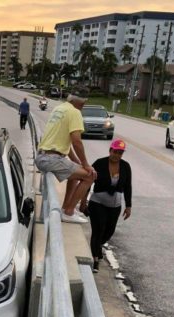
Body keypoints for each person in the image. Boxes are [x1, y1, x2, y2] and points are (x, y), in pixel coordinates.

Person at [34, 94, 96, 224]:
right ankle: (69, 212)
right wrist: (86, 164)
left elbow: (67, 145)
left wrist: (78, 163)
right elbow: (76, 141)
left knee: (75, 174)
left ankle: (65, 209)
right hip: (52, 159)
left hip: (42, 155)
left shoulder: (60, 108)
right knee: (90, 176)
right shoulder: (75, 112)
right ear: (83, 103)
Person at [79, 139, 133, 273]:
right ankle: (95, 259)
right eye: (115, 152)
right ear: (110, 151)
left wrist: (128, 206)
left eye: (120, 153)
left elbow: (128, 186)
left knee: (109, 231)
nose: (117, 155)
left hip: (115, 205)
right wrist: (83, 201)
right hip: (97, 203)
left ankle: (97, 247)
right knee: (98, 230)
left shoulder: (125, 166)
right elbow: (87, 182)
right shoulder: (99, 163)